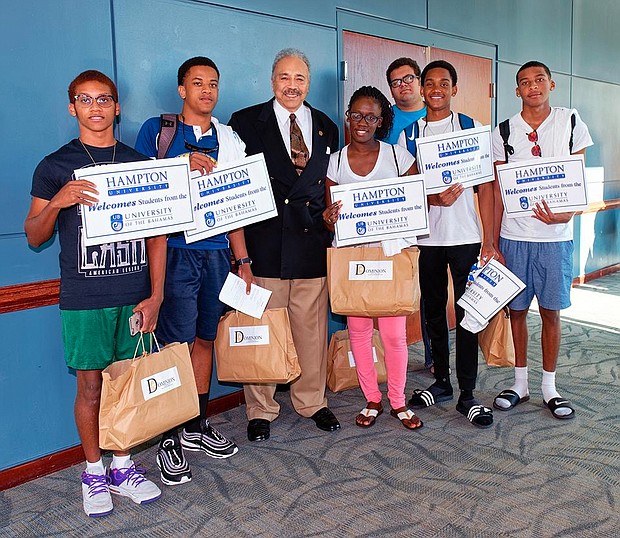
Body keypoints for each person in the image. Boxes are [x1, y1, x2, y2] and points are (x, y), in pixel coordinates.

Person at [25, 70, 165, 517]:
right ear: (72, 107)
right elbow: (33, 234)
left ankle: (122, 466)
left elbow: (158, 236)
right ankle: (92, 471)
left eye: (104, 99)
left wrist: (156, 295)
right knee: (89, 387)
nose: (96, 107)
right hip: (85, 297)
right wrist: (57, 201)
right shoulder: (54, 166)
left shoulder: (138, 162)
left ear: (117, 106)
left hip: (134, 293)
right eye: (85, 100)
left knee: (127, 386)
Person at [135, 57, 252, 485]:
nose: (206, 90)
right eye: (197, 83)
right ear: (182, 90)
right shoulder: (159, 131)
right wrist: (180, 168)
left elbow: (239, 205)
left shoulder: (228, 138)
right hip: (176, 252)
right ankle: (170, 432)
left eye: (213, 84)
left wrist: (243, 262)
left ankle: (195, 424)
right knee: (174, 345)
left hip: (218, 253)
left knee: (205, 338)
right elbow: (141, 188)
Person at [229, 48, 341, 442]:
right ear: (272, 80)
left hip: (311, 245)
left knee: (310, 330)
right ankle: (260, 407)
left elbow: (328, 187)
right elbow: (234, 190)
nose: (291, 85)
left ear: (308, 84)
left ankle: (311, 400)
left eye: (299, 79)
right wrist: (240, 256)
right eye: (284, 77)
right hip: (264, 247)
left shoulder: (327, 126)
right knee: (263, 330)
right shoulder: (244, 123)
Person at [491, 61, 593, 419]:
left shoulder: (570, 122)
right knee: (515, 311)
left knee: (551, 311)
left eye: (538, 80)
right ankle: (520, 382)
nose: (532, 87)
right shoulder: (504, 130)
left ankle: (550, 386)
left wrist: (570, 213)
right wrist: (491, 242)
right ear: (516, 90)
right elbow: (495, 192)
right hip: (514, 236)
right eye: (524, 82)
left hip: (555, 237)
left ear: (551, 84)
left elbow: (579, 177)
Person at [398, 60, 496, 428]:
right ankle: (441, 381)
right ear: (421, 90)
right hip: (428, 240)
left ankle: (468, 393)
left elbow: (486, 187)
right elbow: (405, 190)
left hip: (468, 238)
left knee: (470, 313)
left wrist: (489, 239)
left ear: (454, 89)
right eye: (429, 83)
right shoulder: (410, 135)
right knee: (434, 312)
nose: (436, 88)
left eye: (444, 82)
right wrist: (430, 198)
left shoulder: (470, 128)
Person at [323, 86, 422, 430]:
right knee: (360, 332)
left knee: (394, 335)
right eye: (356, 115)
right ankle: (372, 399)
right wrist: (328, 217)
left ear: (381, 121)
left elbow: (415, 204)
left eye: (371, 116)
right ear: (347, 116)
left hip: (390, 255)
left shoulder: (398, 157)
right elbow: (328, 211)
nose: (362, 122)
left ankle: (397, 400)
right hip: (352, 257)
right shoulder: (334, 161)